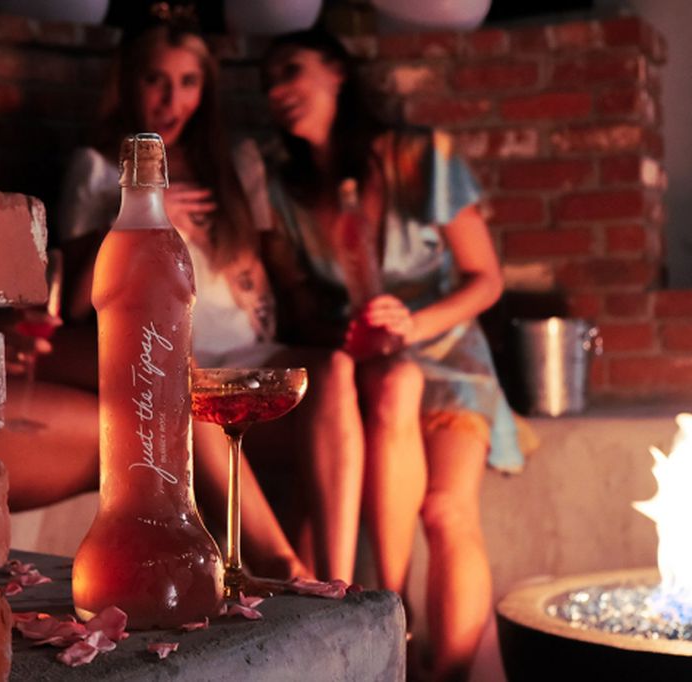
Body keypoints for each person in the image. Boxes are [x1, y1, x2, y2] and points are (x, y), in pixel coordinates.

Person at [0, 14, 351, 581]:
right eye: (156, 81)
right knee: (176, 369)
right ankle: (283, 566)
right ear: (129, 84)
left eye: (188, 82)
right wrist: (144, 219)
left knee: (336, 370)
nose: (171, 99)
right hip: (167, 350)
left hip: (245, 345)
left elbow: (279, 272)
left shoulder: (235, 167)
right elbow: (77, 305)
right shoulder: (97, 170)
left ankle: (340, 580)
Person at [260, 29, 531, 682]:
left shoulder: (418, 155)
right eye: (267, 82)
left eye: (291, 70)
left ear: (337, 72)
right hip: (369, 360)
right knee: (372, 410)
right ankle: (391, 625)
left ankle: (447, 671)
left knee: (445, 508)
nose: (277, 91)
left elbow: (486, 278)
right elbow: (297, 305)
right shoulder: (284, 188)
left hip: (449, 349)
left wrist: (413, 323)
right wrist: (353, 334)